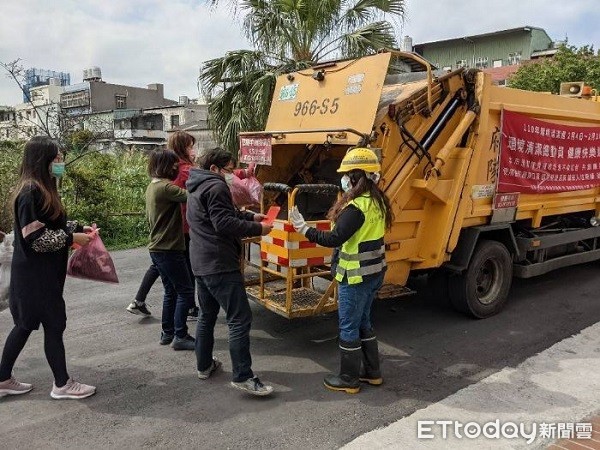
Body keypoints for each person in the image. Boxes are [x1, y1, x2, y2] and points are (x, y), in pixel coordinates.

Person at [289, 147, 393, 394]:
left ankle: (348, 379)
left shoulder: (356, 207)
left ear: (356, 177)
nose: (343, 179)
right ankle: (372, 373)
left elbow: (334, 238)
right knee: (364, 322)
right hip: (373, 274)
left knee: (348, 326)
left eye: (347, 174)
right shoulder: (378, 202)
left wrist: (303, 228)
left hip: (354, 276)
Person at [0, 136, 96, 400]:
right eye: (56, 158)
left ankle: (3, 378)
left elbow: (49, 225)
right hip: (36, 276)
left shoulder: (40, 189)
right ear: (43, 160)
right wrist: (71, 239)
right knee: (52, 324)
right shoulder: (30, 192)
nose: (60, 162)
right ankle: (62, 384)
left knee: (25, 325)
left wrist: (76, 229)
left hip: (39, 275)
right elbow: (36, 239)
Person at [186, 148, 274, 396]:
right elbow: (223, 223)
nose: (232, 175)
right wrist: (259, 229)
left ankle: (204, 366)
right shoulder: (216, 187)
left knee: (207, 315)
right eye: (229, 170)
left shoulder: (197, 185)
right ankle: (243, 376)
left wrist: (252, 215)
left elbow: (224, 213)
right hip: (219, 263)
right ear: (215, 169)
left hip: (201, 262)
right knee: (239, 319)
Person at [127, 131, 199, 320]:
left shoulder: (155, 184)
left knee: (162, 270)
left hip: (164, 235)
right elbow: (195, 194)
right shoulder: (183, 172)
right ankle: (187, 313)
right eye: (190, 146)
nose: (193, 150)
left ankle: (142, 303)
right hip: (180, 228)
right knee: (184, 277)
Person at [145, 149, 195, 351]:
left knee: (171, 292)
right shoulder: (167, 188)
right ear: (166, 166)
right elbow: (193, 196)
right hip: (169, 249)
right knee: (186, 291)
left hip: (158, 248)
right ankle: (181, 335)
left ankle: (168, 333)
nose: (177, 169)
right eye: (175, 166)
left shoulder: (153, 185)